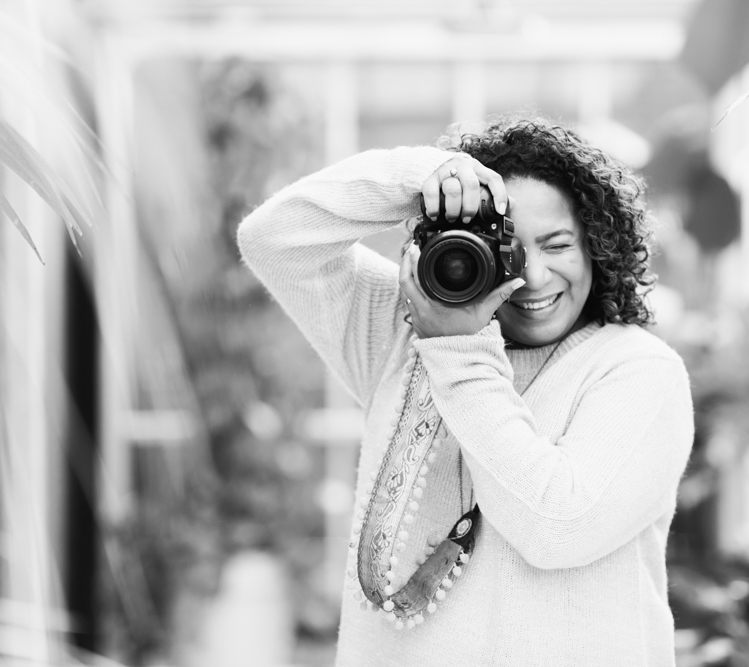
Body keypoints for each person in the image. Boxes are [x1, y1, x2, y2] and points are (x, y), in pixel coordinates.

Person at [237, 116, 694, 667]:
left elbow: (557, 528)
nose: (534, 277)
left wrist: (459, 348)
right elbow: (274, 238)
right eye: (505, 248)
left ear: (597, 247)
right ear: (453, 246)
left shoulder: (636, 370)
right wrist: (425, 177)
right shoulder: (402, 332)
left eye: (557, 244)